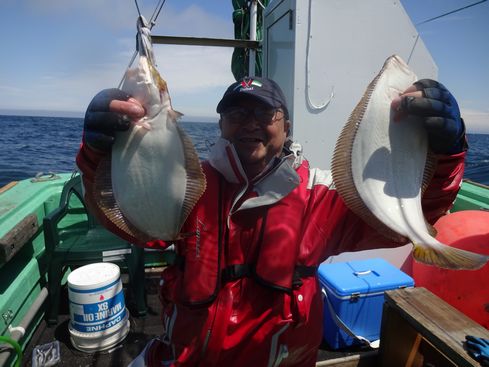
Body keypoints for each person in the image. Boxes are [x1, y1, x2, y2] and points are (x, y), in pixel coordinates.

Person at [76, 76, 466, 366]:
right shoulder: (187, 186)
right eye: (236, 113)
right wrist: (100, 155)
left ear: (287, 126)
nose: (249, 122)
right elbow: (130, 223)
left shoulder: (318, 195)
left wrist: (446, 154)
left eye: (265, 112)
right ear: (221, 126)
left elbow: (400, 219)